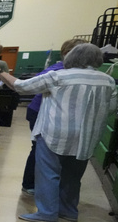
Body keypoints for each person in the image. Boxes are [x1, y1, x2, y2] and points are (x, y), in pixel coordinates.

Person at [0, 43, 117, 222]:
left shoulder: (58, 76)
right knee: (73, 176)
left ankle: (47, 213)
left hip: (55, 132)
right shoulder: (108, 80)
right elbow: (111, 108)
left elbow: (21, 86)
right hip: (87, 136)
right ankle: (69, 210)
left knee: (48, 172)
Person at [20, 38, 87, 194]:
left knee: (45, 150)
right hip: (39, 111)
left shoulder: (73, 71)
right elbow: (30, 85)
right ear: (66, 54)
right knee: (39, 147)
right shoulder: (57, 70)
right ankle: (29, 184)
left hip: (51, 113)